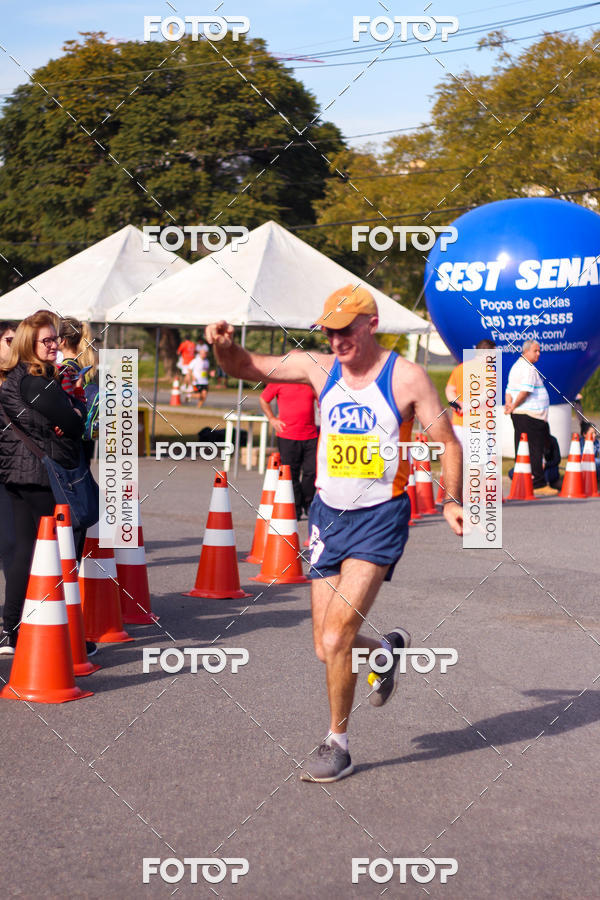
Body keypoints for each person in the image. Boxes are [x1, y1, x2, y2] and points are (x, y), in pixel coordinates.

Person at [206, 285, 463, 782]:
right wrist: (223, 345)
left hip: (380, 518)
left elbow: (447, 443)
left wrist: (451, 500)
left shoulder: (406, 378)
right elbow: (246, 367)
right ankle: (383, 651)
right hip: (327, 517)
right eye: (329, 331)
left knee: (335, 635)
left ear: (371, 325)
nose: (337, 340)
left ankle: (337, 744)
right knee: (326, 648)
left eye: (345, 330)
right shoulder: (318, 368)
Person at [0, 311, 86, 656]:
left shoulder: (16, 378)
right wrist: (73, 415)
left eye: (56, 339)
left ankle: (12, 630)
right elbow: (75, 424)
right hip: (41, 474)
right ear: (29, 344)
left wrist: (64, 419)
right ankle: (60, 633)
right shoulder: (37, 381)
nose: (55, 345)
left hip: (19, 473)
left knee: (25, 551)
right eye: (47, 340)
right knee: (58, 552)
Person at [504, 340, 557, 496]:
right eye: (536, 351)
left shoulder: (516, 366)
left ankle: (523, 480)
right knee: (535, 449)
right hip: (531, 415)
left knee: (522, 449)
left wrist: (509, 404)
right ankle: (538, 483)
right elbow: (525, 391)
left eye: (539, 351)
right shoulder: (528, 368)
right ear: (526, 351)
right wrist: (513, 405)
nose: (538, 354)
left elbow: (509, 390)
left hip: (521, 414)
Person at [259, 382, 318, 520]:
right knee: (291, 474)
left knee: (312, 471)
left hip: (310, 435)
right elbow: (263, 399)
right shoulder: (279, 380)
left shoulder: (309, 381)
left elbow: (322, 400)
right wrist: (272, 419)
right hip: (287, 435)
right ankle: (295, 508)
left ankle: (308, 503)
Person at [445, 339, 496, 446]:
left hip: (459, 424)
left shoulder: (460, 368)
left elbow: (449, 390)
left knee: (459, 456)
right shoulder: (489, 371)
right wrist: (468, 406)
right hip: (480, 425)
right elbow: (488, 394)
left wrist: (456, 404)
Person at [0, 322, 17, 582]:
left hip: (12, 470)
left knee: (12, 541)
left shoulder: (21, 379)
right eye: (9, 341)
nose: (15, 347)